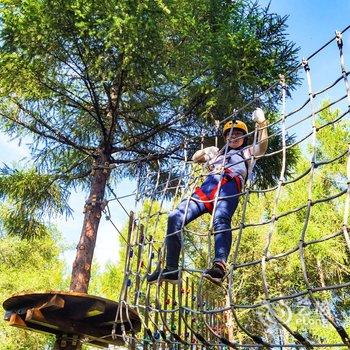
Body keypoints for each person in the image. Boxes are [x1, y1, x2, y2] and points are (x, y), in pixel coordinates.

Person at [147, 108, 268, 284]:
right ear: (226, 137)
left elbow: (263, 147)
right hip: (206, 188)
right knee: (175, 217)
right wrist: (207, 151)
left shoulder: (247, 152)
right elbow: (195, 158)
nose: (234, 137)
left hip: (228, 187)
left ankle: (219, 266)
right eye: (230, 134)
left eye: (238, 134)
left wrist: (262, 124)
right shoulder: (218, 154)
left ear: (244, 137)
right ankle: (171, 268)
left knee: (221, 219)